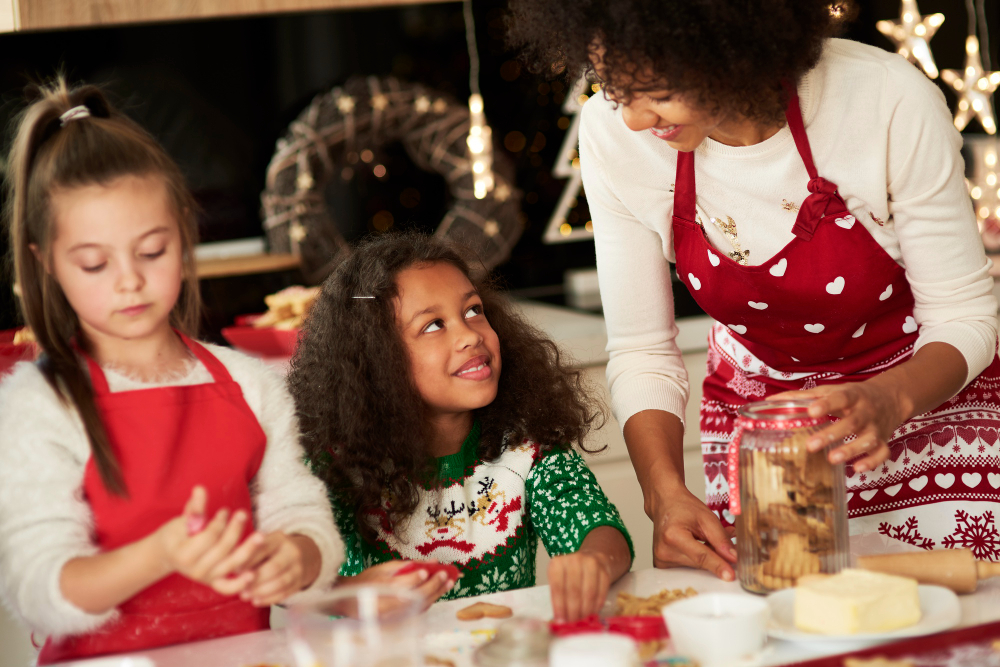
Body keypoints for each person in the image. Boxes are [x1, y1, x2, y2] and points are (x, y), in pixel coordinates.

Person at [507, 0, 1000, 581]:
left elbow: (964, 315)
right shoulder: (615, 136)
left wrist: (891, 400)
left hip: (926, 404)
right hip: (763, 428)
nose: (635, 119)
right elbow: (643, 349)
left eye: (657, 90)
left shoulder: (885, 99)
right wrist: (663, 494)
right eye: (615, 90)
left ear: (735, 46)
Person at [0, 80, 344, 664]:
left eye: (152, 251)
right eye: (94, 262)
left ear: (185, 236)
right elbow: (38, 588)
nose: (128, 280)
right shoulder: (40, 404)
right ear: (47, 263)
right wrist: (161, 554)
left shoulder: (252, 385)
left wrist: (299, 553)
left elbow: (304, 513)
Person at [288, 232, 633, 622]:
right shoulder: (336, 466)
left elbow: (599, 528)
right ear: (375, 361)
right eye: (434, 325)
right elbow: (281, 574)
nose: (470, 335)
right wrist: (347, 595)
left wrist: (595, 561)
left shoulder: (525, 447)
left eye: (473, 311)